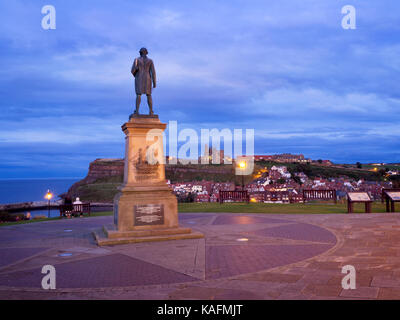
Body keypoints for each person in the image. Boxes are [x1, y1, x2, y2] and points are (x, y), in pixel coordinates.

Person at [131, 47, 156, 115]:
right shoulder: (150, 60)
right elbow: (153, 72)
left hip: (139, 78)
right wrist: (154, 82)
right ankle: (151, 111)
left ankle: (137, 111)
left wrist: (136, 70)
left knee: (139, 94)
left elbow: (132, 71)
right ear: (146, 52)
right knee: (149, 95)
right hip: (148, 79)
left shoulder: (137, 60)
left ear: (140, 52)